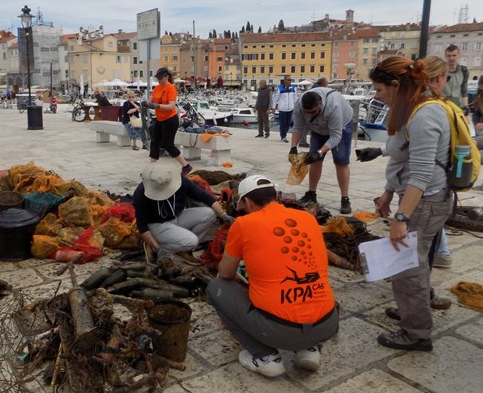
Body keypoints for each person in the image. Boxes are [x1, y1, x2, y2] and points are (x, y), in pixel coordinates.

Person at [206, 175, 338, 378]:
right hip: (327, 324)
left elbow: (226, 273)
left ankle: (265, 357)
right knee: (311, 280)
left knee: (216, 287)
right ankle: (309, 348)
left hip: (278, 331)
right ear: (276, 196)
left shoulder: (243, 224)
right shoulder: (307, 218)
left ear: (247, 202)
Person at [369, 56, 453, 351]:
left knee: (408, 267)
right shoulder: (413, 110)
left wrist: (400, 218)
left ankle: (417, 332)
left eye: (379, 90)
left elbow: (421, 174)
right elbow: (402, 158)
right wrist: (390, 193)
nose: (375, 96)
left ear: (395, 85)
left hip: (425, 202)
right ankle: (411, 311)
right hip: (420, 198)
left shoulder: (424, 116)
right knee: (411, 263)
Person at [133, 161, 232, 259]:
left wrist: (223, 215)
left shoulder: (180, 181)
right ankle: (159, 249)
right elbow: (142, 226)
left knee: (210, 213)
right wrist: (158, 248)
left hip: (179, 215)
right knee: (191, 241)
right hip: (158, 225)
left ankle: (187, 246)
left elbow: (205, 197)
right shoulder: (141, 193)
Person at [289, 86, 354, 214]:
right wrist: (293, 148)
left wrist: (319, 152)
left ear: (320, 104)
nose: (309, 114)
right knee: (315, 161)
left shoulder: (333, 107)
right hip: (318, 128)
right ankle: (311, 194)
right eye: (306, 112)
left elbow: (336, 137)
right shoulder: (299, 105)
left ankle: (345, 198)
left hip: (342, 126)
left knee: (341, 161)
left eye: (312, 112)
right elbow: (298, 127)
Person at [143, 67, 194, 175]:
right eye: (158, 78)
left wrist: (156, 105)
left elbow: (171, 107)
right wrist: (146, 104)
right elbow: (150, 100)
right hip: (160, 119)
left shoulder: (171, 88)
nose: (159, 80)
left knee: (168, 145)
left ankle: (186, 166)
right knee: (154, 142)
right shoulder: (157, 88)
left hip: (170, 120)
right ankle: (152, 169)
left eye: (160, 78)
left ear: (166, 76)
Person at [271, 75, 297, 143]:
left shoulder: (293, 88)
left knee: (288, 124)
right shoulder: (280, 88)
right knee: (282, 124)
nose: (290, 81)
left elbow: (295, 98)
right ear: (285, 80)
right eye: (289, 80)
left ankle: (284, 134)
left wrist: (296, 107)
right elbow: (275, 98)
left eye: (291, 80)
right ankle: (283, 136)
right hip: (282, 109)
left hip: (291, 109)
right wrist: (273, 107)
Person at [442, 44, 469, 110]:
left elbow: (464, 92)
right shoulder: (440, 70)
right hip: (442, 106)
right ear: (445, 56)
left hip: (457, 107)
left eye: (454, 55)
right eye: (449, 56)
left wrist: (465, 107)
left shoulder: (464, 71)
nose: (451, 58)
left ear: (459, 55)